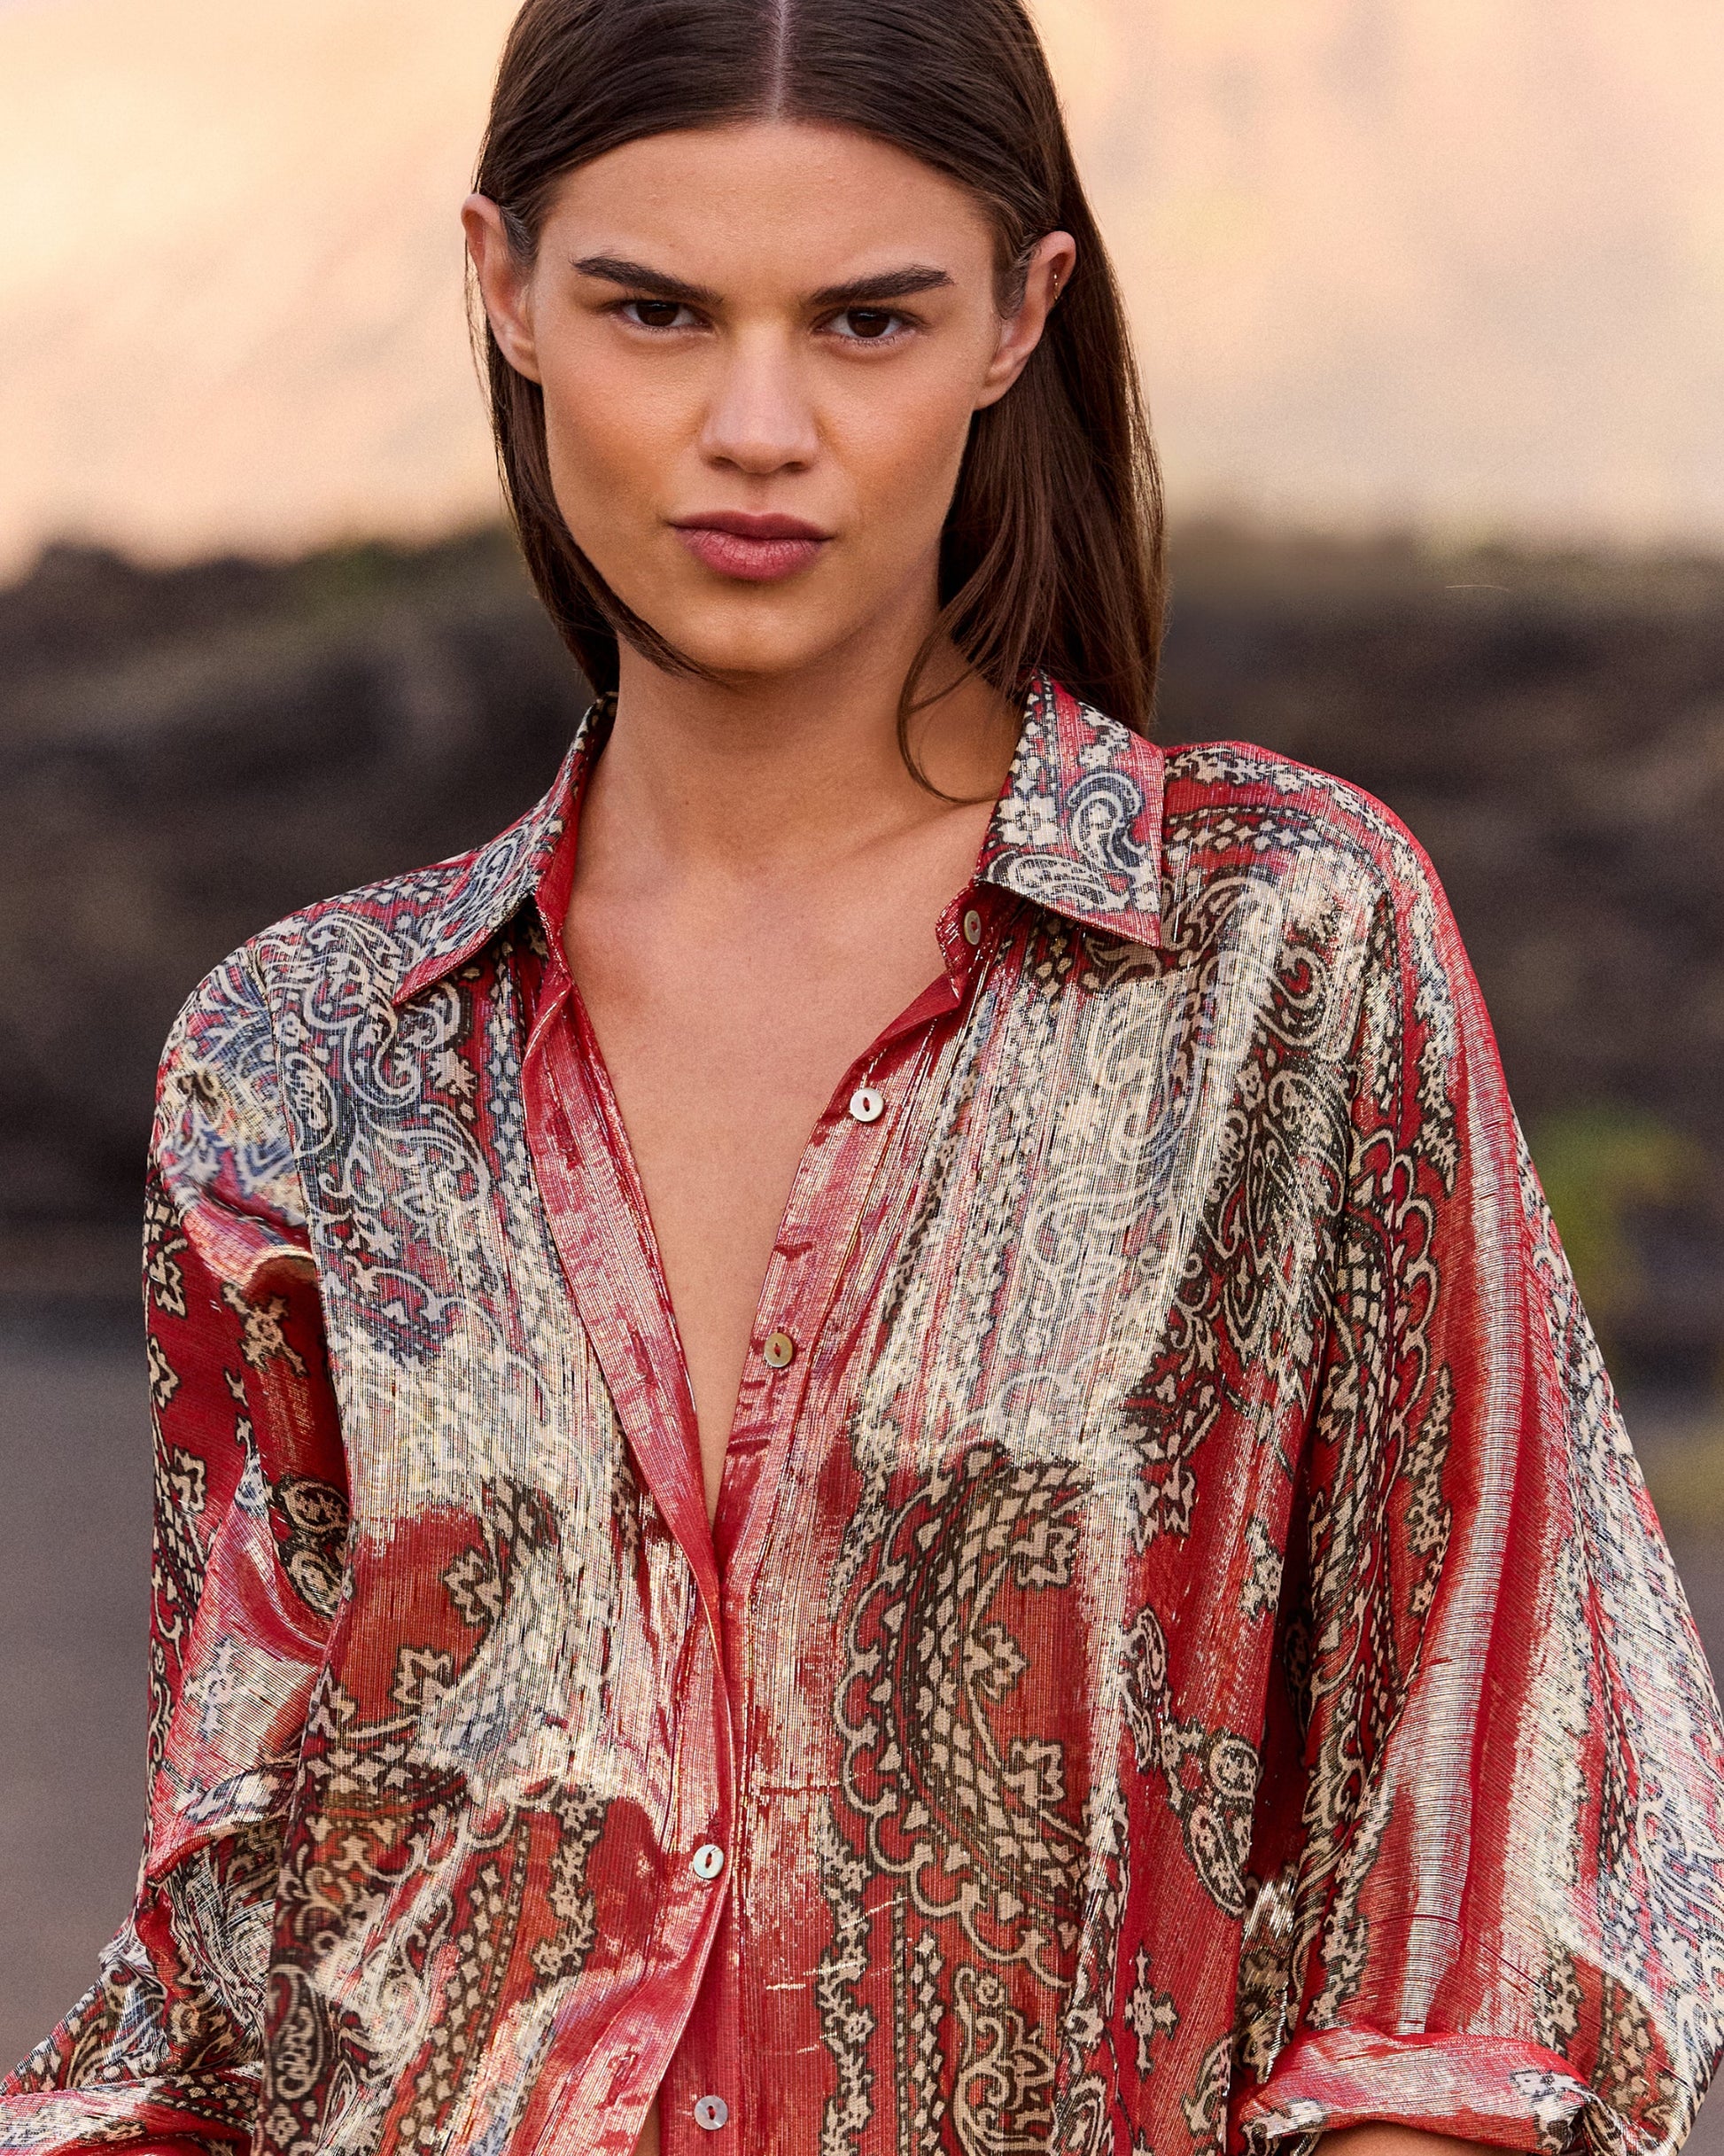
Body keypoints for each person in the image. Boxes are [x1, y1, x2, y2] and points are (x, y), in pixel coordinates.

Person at [5, 1, 1724, 2152]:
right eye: (652, 308)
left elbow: (1498, 1831)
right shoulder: (295, 1060)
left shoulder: (1284, 946)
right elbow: (228, 1952)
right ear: (502, 289)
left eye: (865, 321)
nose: (755, 423)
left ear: (1021, 317)